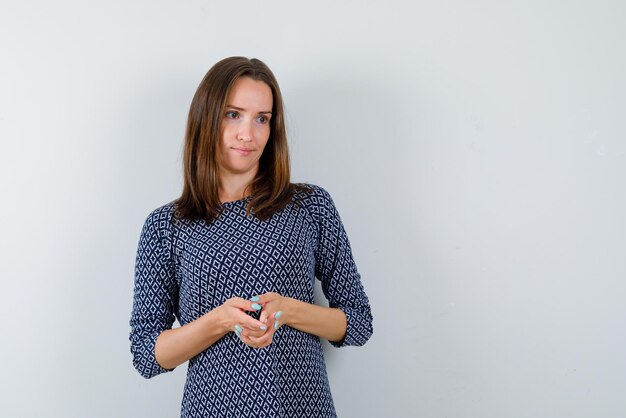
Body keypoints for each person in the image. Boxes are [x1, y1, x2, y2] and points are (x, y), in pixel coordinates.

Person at [129, 56, 373, 418]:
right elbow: (147, 354)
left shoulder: (310, 207)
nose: (249, 133)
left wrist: (288, 311)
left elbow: (358, 322)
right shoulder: (166, 227)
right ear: (206, 118)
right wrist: (220, 321)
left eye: (262, 119)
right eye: (233, 115)